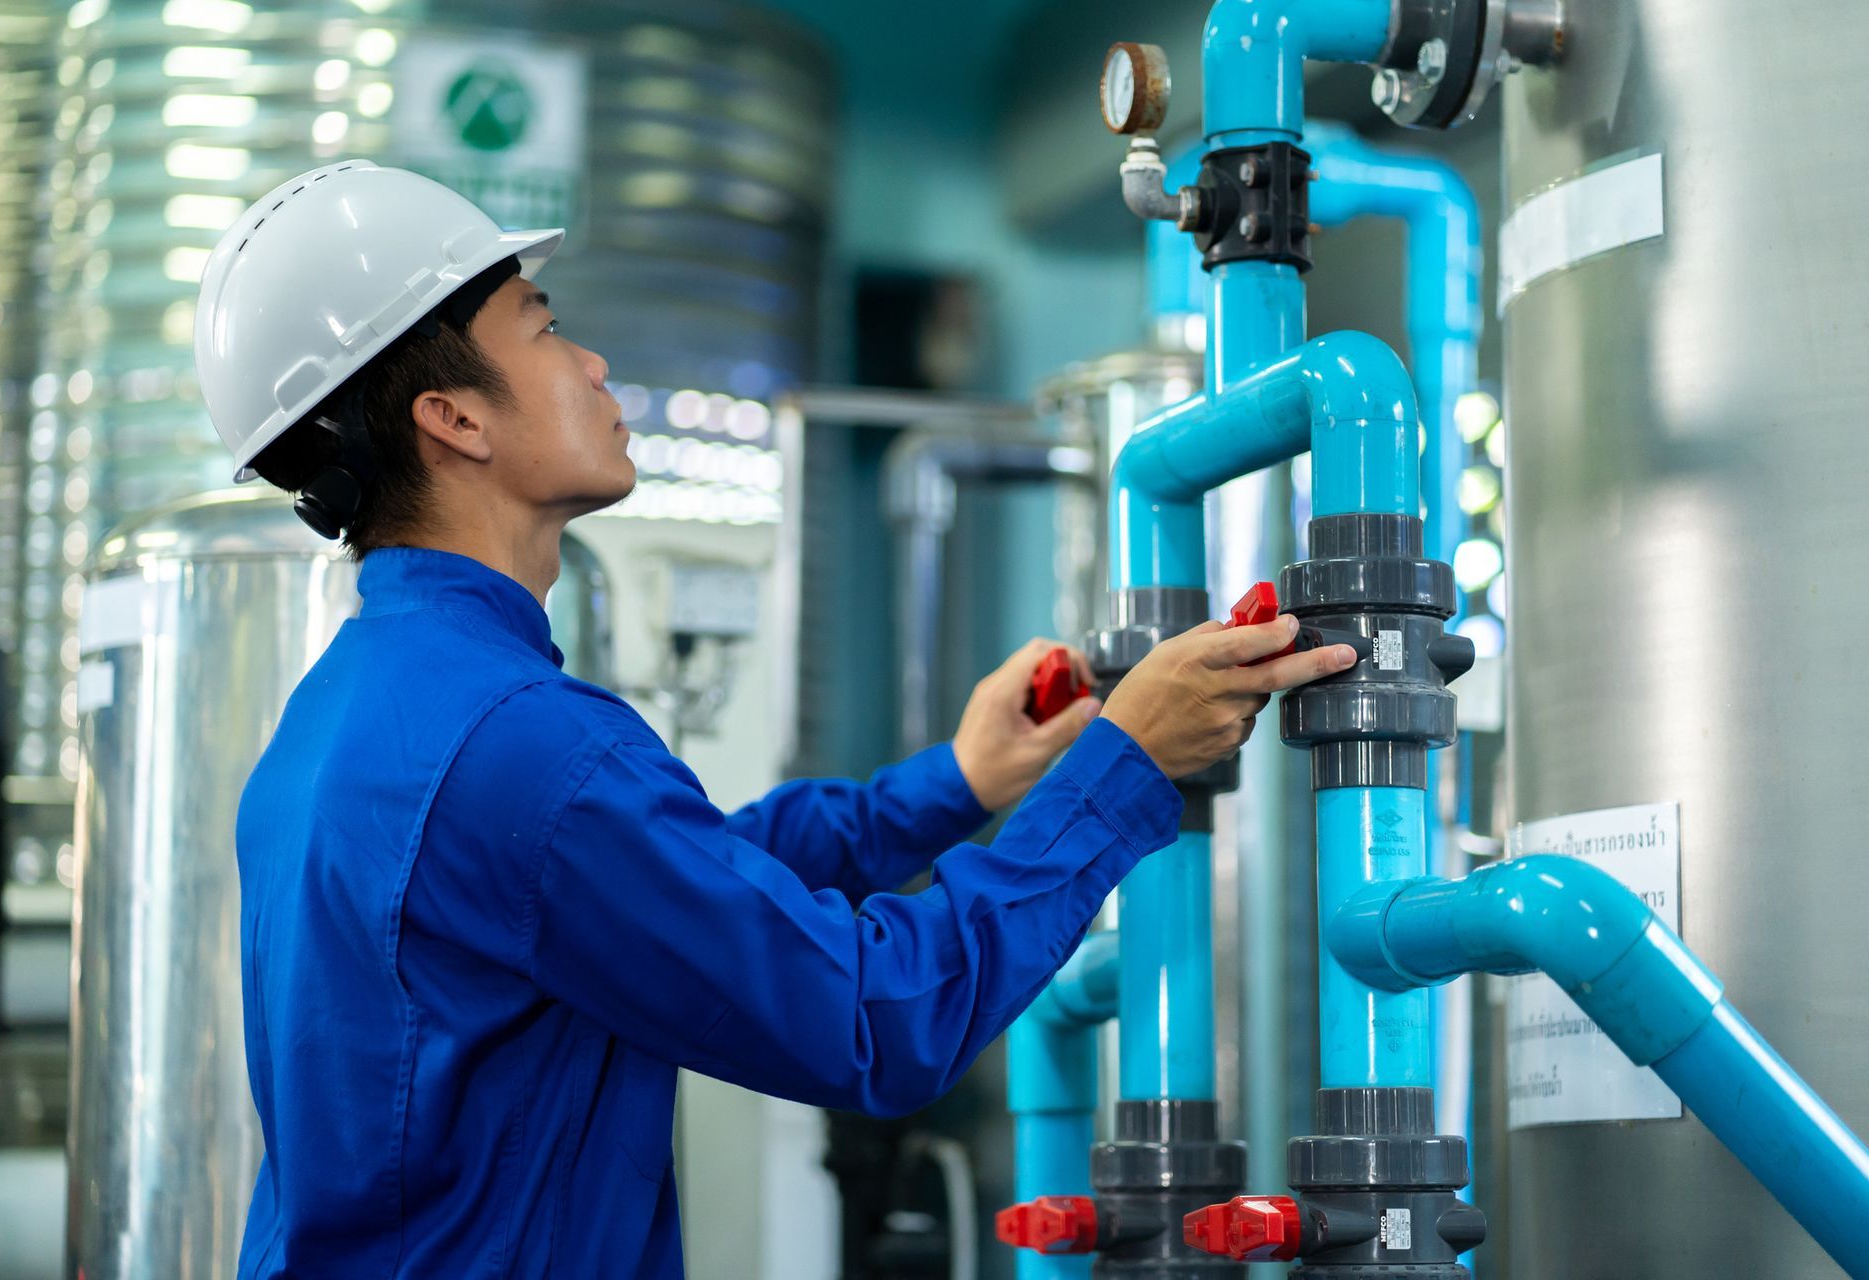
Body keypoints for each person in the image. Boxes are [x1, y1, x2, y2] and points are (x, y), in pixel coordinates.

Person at [194, 160, 1355, 1278]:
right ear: (454, 418)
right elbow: (872, 1016)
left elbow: (681, 881)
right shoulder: (516, 741)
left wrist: (958, 779)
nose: (593, 362)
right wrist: (1124, 765)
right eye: (544, 327)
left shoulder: (350, 716)